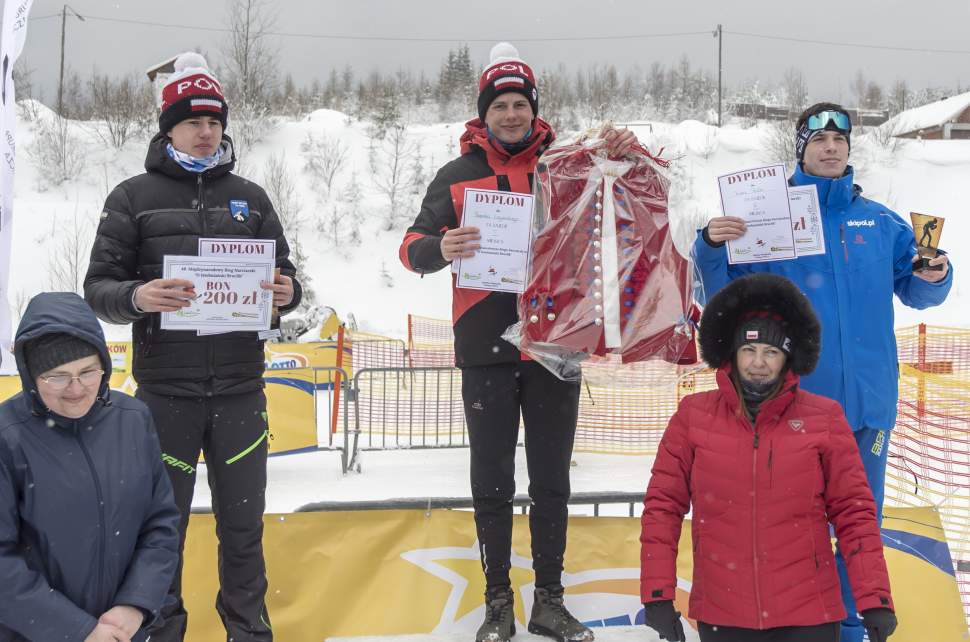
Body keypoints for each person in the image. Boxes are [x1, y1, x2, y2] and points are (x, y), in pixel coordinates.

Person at [399, 42, 637, 642]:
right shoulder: (456, 177)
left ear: (534, 110)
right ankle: (498, 600)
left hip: (557, 341)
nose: (511, 115)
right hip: (484, 342)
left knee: (552, 475)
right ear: (485, 113)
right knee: (492, 479)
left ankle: (550, 600)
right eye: (500, 105)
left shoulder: (565, 166)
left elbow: (620, 207)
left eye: (519, 104)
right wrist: (441, 249)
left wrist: (626, 157)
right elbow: (410, 247)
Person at [691, 102, 951, 642]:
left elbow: (920, 290)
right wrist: (712, 244)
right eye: (818, 140)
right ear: (801, 148)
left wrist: (936, 272)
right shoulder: (768, 217)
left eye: (840, 140)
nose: (830, 148)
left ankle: (853, 626)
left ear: (849, 148)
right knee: (795, 526)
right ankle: (801, 627)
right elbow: (723, 290)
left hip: (869, 406)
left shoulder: (879, 221)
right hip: (799, 407)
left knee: (861, 523)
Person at [83, 52, 301, 642]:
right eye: (192, 122)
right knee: (160, 531)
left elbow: (287, 280)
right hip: (164, 397)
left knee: (243, 530)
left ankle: (248, 633)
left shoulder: (251, 198)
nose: (206, 133)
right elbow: (97, 288)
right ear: (168, 128)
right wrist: (138, 296)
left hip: (239, 393)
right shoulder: (133, 197)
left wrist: (286, 290)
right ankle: (161, 632)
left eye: (214, 122)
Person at [640, 273, 897, 642]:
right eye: (749, 350)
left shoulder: (823, 418)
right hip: (723, 613)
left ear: (788, 357)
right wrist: (657, 595)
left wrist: (874, 599)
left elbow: (855, 513)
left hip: (809, 615)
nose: (758, 363)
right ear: (732, 353)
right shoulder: (693, 416)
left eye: (771, 352)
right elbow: (662, 508)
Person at [0, 292, 180, 642]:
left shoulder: (133, 419)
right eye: (57, 376)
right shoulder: (8, 437)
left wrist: (135, 605)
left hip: (124, 632)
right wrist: (78, 630)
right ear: (31, 376)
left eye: (88, 371)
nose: (76, 389)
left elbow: (160, 525)